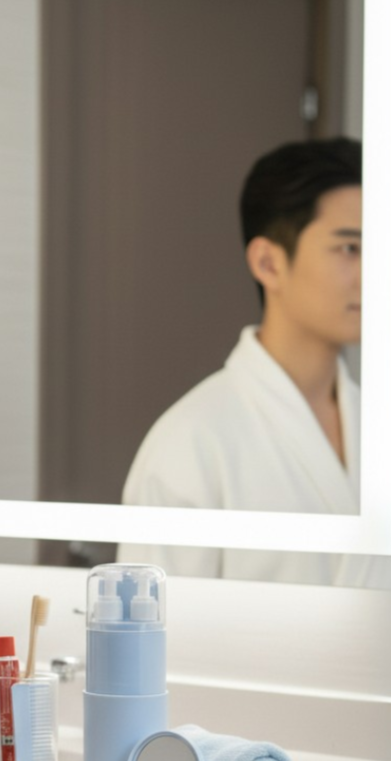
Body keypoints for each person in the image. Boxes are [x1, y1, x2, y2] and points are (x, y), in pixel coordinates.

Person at [119, 137, 389, 588]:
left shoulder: (374, 425)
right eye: (350, 249)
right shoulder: (191, 443)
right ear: (268, 262)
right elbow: (157, 643)